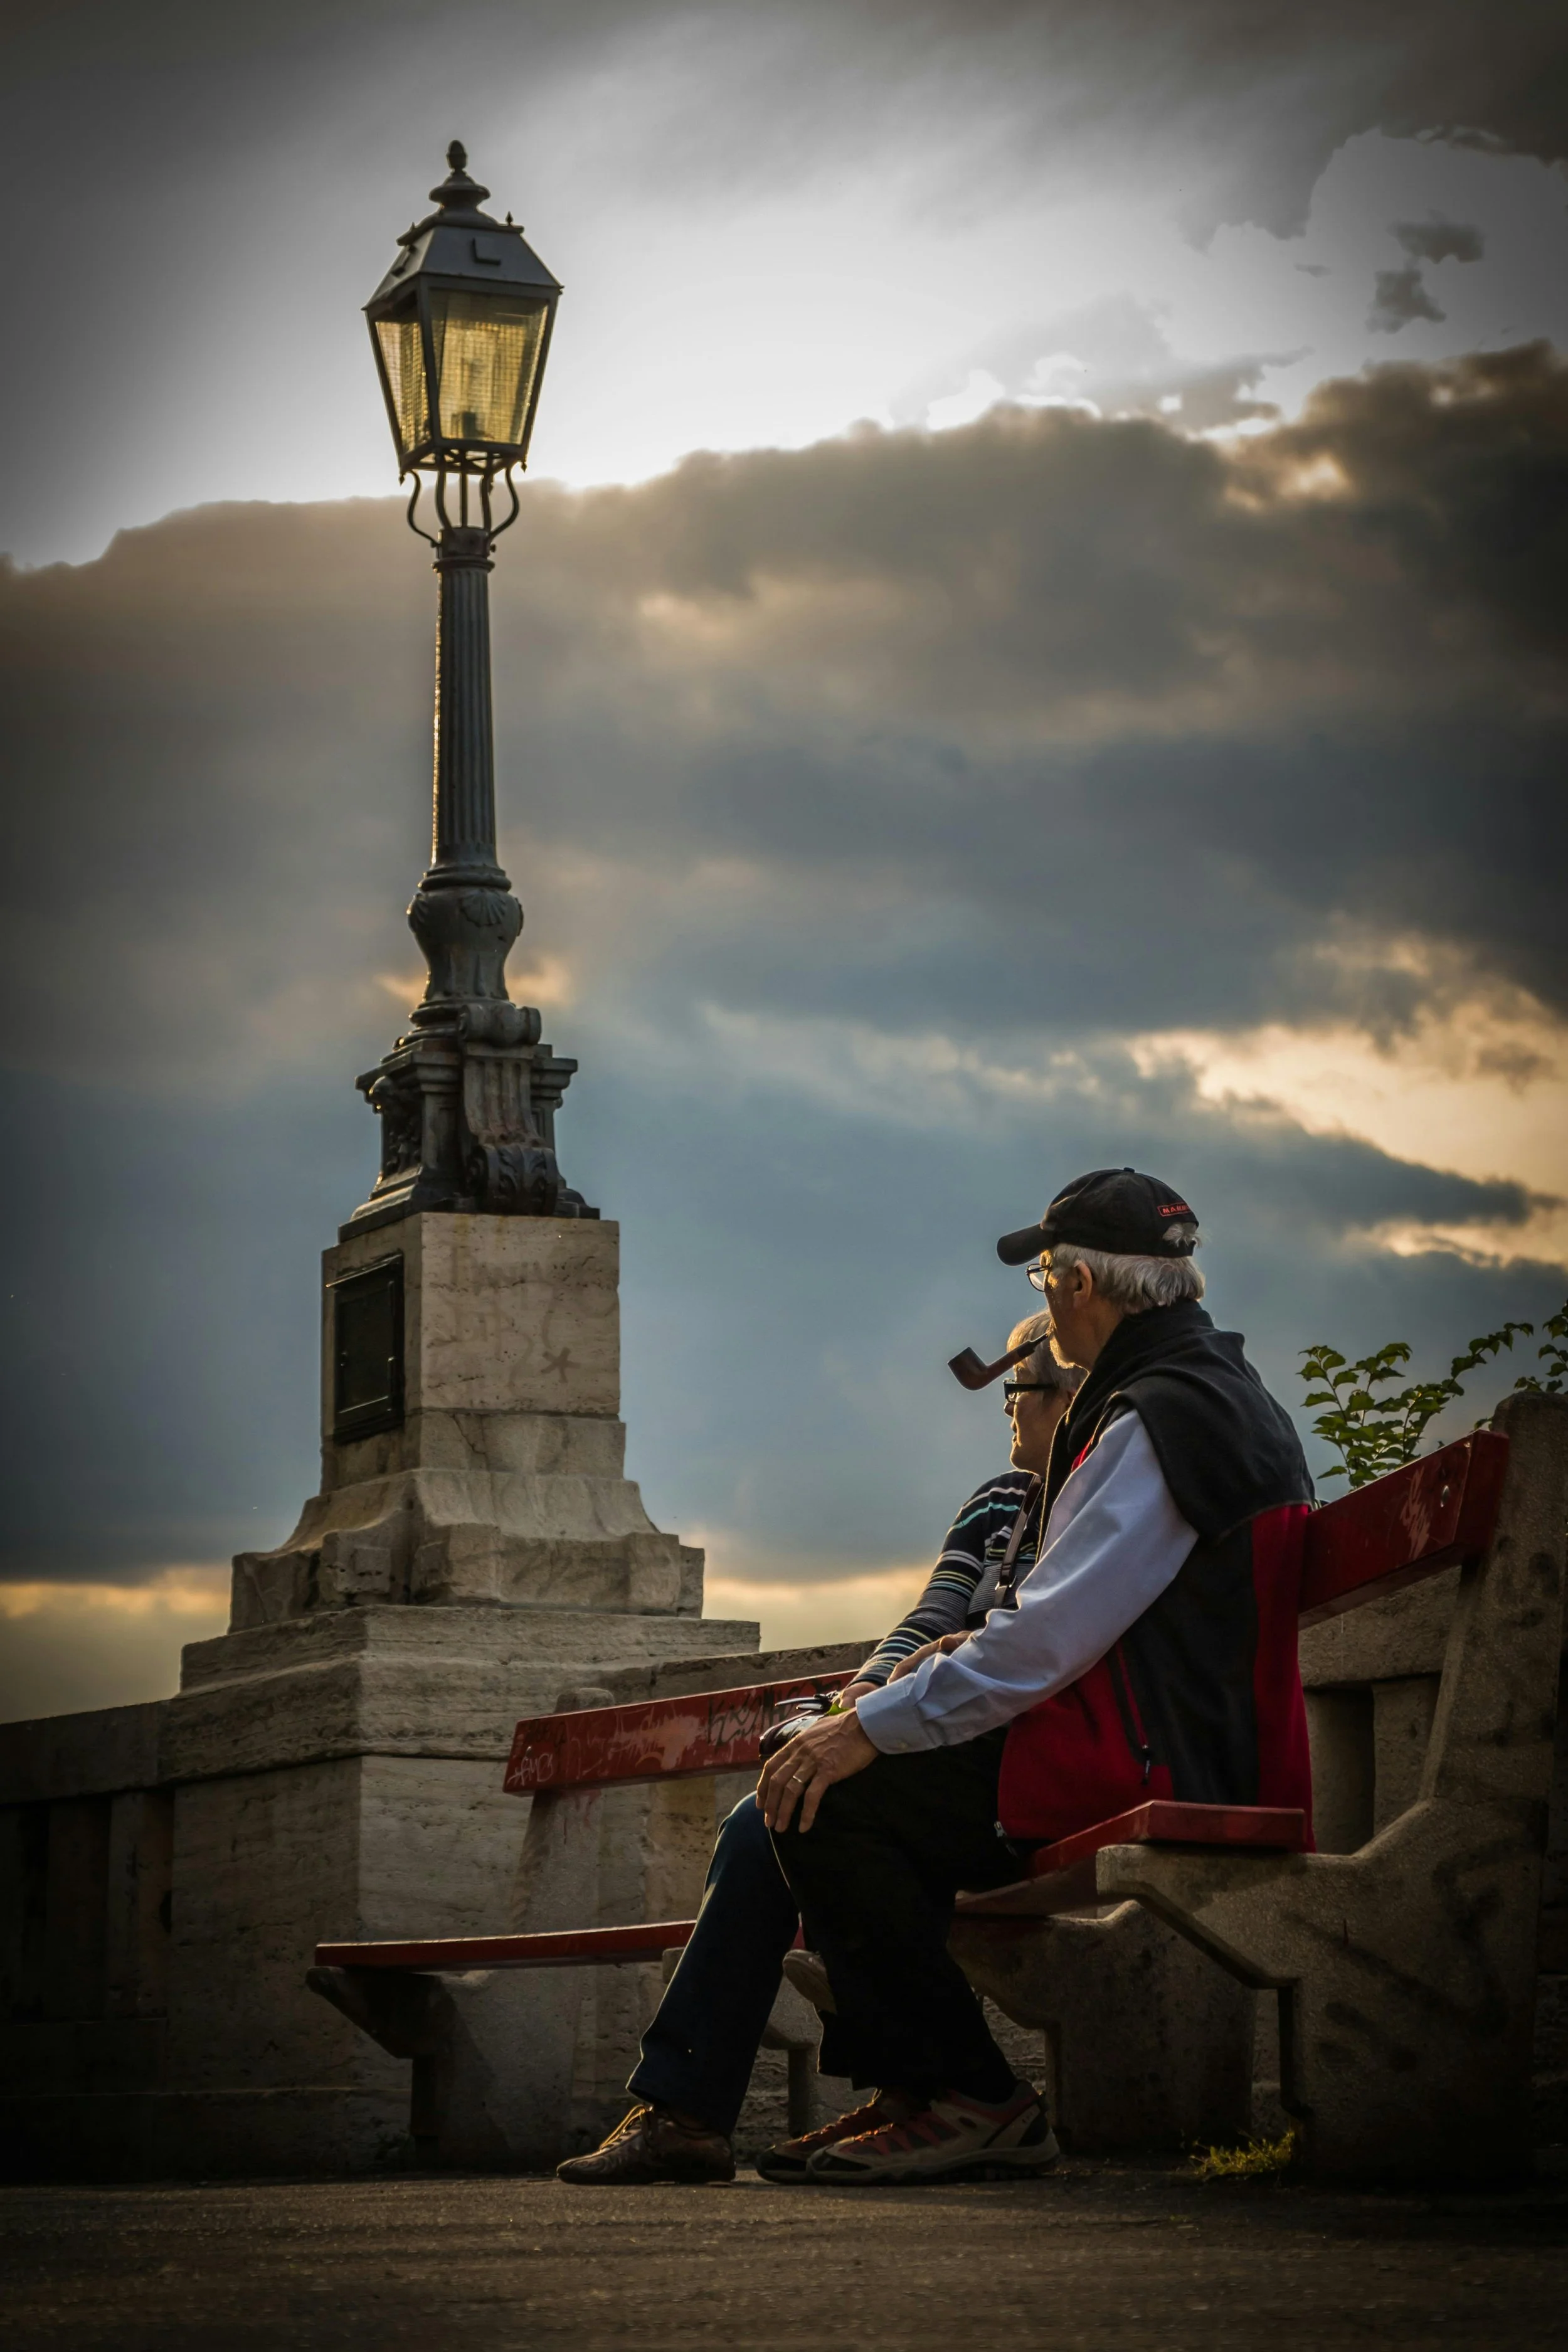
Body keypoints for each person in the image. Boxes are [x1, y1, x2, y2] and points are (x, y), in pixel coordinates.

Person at [564, 1168, 1313, 2187]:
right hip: (1160, 1735)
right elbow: (1066, 1619)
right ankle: (916, 2090)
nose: (1046, 1299)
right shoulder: (1199, 1392)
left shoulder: (1155, 1415)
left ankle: (973, 2095)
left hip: (1148, 1756)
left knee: (819, 1794)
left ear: (1082, 1282)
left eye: (1048, 1273)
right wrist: (916, 1681)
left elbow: (1047, 1639)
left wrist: (865, 1728)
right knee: (807, 1787)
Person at [555, 1311, 1081, 2186]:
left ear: (1071, 1394)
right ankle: (687, 2111)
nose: (1007, 1409)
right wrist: (856, 1702)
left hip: (1001, 1771)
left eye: (1019, 1388)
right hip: (926, 1748)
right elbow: (929, 1616)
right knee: (770, 1808)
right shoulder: (996, 1502)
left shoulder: (1096, 1502)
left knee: (814, 1804)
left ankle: (928, 2090)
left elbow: (1029, 1642)